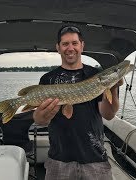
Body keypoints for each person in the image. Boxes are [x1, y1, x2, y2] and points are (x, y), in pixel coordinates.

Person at [33, 25, 123, 180]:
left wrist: (113, 88)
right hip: (58, 159)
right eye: (65, 44)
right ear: (58, 48)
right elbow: (40, 121)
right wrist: (42, 116)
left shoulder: (96, 75)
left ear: (82, 46)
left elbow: (108, 115)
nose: (70, 48)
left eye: (74, 43)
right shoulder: (47, 79)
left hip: (95, 158)